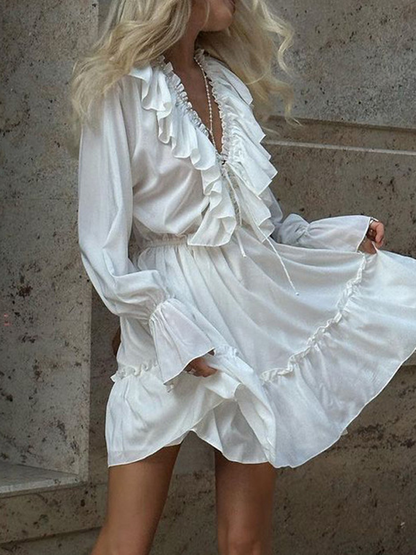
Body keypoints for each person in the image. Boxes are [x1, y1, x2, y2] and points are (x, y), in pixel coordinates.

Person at [69, 0, 416, 553]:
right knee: (126, 543)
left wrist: (330, 240)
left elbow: (260, 223)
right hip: (174, 321)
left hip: (252, 315)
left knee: (246, 543)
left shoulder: (223, 84)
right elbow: (101, 243)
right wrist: (160, 318)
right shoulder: (124, 88)